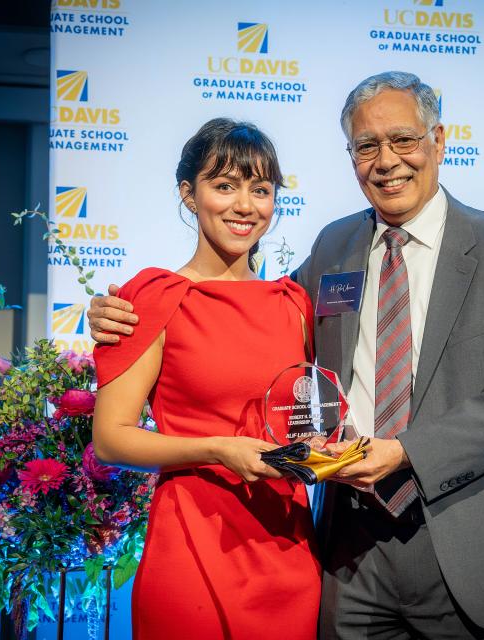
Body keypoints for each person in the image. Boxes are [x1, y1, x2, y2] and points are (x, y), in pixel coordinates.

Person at [89, 72, 484, 639]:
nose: (386, 160)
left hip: (466, 544)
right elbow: (238, 318)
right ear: (351, 157)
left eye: (403, 140)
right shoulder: (333, 248)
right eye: (367, 146)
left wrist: (407, 452)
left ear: (438, 141)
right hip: (347, 552)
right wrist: (114, 311)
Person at [90, 118, 321, 639]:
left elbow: (306, 415)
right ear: (189, 195)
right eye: (225, 186)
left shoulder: (294, 303)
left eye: (261, 190)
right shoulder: (154, 296)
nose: (245, 205)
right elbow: (110, 438)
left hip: (287, 548)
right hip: (194, 542)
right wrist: (219, 449)